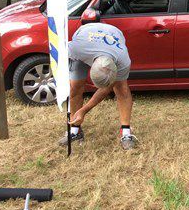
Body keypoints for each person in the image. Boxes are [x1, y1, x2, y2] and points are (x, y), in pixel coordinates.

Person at [57, 22, 137, 150]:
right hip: (86, 33)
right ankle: (75, 130)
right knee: (74, 87)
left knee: (121, 88)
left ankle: (126, 132)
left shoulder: (122, 60)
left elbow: (106, 88)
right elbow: (55, 50)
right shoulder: (76, 49)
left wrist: (84, 110)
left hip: (113, 32)